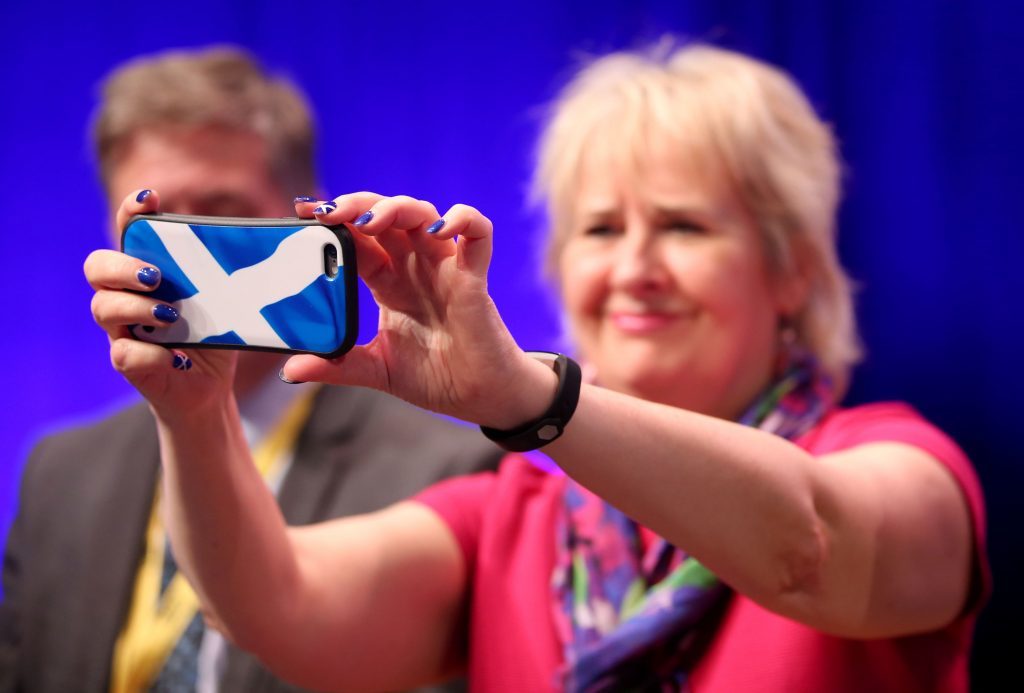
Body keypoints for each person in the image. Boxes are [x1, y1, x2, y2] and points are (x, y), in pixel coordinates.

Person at [82, 43, 988, 691]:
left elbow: (807, 547)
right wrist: (193, 419)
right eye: (600, 228)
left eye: (683, 224)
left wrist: (532, 395)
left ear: (794, 267)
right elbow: (268, 606)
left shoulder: (899, 459)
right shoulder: (508, 517)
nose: (633, 267)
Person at [0, 47, 502, 693]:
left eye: (221, 210)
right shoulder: (60, 472)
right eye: (162, 224)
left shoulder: (446, 474)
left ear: (304, 213)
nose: (194, 255)